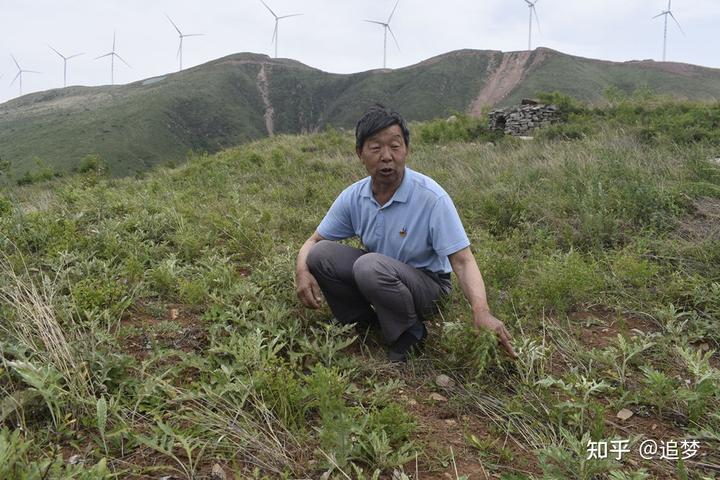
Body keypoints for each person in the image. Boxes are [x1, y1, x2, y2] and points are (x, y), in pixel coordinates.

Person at [295, 104, 517, 361]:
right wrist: (302, 271)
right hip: (381, 275)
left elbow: (463, 261)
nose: (386, 156)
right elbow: (314, 241)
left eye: (395, 146)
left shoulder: (431, 197)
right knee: (321, 254)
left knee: (369, 265)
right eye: (376, 148)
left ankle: (410, 331)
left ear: (407, 151)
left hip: (429, 286)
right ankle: (363, 321)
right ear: (360, 153)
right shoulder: (354, 196)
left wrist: (481, 310)